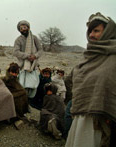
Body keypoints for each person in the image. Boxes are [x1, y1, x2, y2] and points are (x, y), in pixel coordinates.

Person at [65, 12, 116, 147]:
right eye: (90, 31)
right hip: (81, 117)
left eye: (96, 31)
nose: (91, 35)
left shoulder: (113, 56)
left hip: (101, 119)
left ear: (108, 32)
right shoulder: (88, 56)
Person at [13, 20, 43, 100]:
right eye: (21, 28)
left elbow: (40, 50)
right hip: (22, 67)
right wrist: (27, 56)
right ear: (19, 30)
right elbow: (15, 52)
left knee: (33, 86)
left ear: (28, 28)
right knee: (22, 86)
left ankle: (30, 102)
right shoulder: (18, 40)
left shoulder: (34, 38)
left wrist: (35, 56)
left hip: (33, 66)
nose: (23, 29)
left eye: (25, 27)